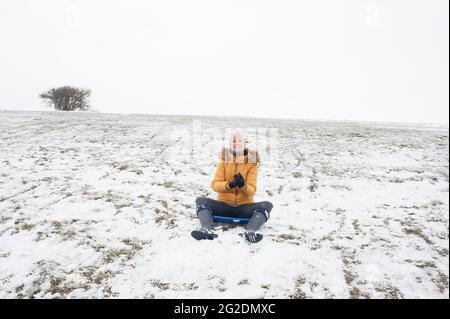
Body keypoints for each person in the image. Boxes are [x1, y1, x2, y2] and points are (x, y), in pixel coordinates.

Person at [192, 132, 273, 243]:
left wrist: (242, 186)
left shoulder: (252, 163)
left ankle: (249, 231)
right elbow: (215, 185)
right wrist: (229, 185)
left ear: (245, 144)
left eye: (240, 141)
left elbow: (252, 190)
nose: (237, 143)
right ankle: (206, 229)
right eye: (234, 141)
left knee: (267, 205)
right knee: (201, 201)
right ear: (230, 144)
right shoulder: (224, 161)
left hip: (244, 207)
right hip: (224, 205)